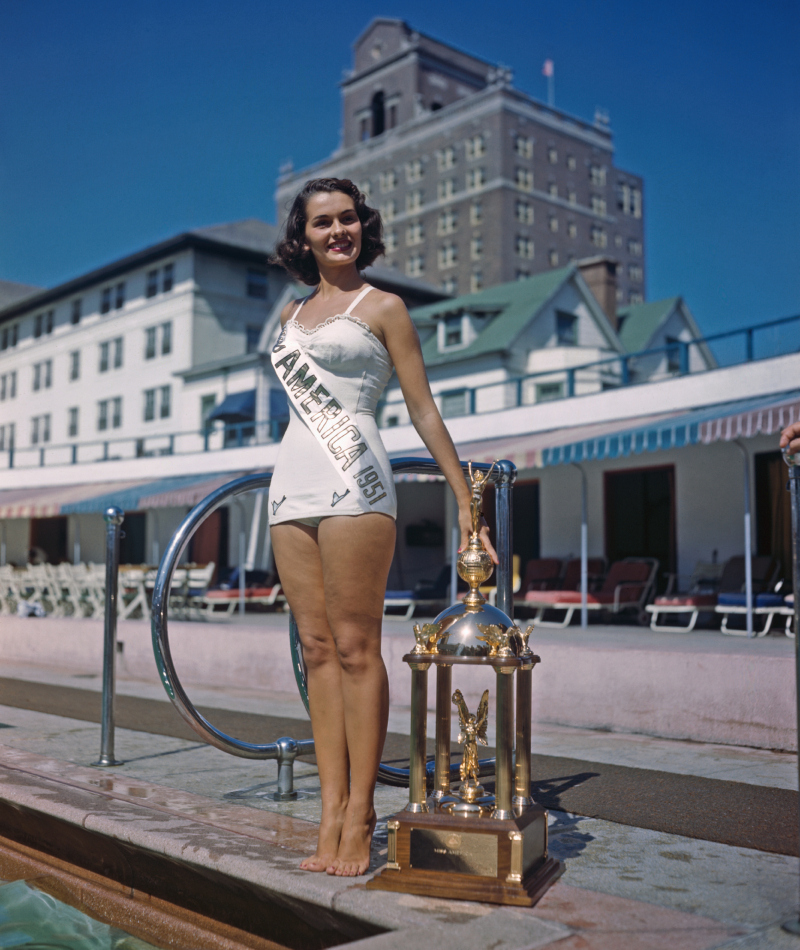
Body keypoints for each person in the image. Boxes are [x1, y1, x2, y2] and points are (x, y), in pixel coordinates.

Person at [268, 178, 496, 877]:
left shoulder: (386, 307)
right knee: (315, 649)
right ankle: (329, 812)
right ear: (301, 237)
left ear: (362, 227)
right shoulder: (290, 312)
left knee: (357, 648)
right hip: (290, 483)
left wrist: (465, 500)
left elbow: (423, 408)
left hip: (355, 481)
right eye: (322, 223)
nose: (338, 231)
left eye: (348, 219)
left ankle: (361, 812)